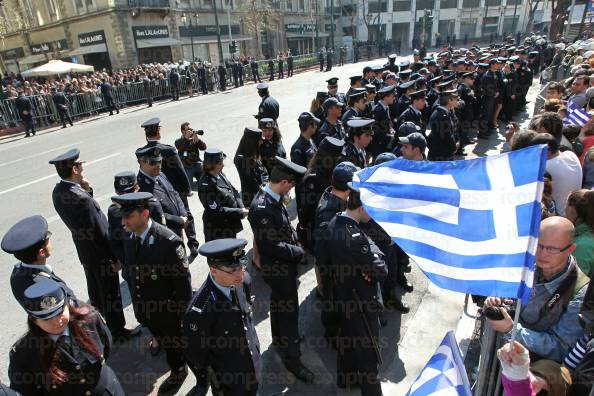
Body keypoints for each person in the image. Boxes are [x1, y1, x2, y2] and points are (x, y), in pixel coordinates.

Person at [112, 192, 192, 394]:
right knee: (159, 336)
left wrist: (182, 318)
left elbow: (183, 287)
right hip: (146, 309)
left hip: (168, 313)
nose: (123, 221)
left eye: (128, 216)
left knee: (174, 345)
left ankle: (179, 370)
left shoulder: (169, 242)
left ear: (145, 213)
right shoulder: (130, 236)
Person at [49, 149, 131, 339]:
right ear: (75, 169)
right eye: (80, 165)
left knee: (96, 290)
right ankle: (118, 331)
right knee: (111, 293)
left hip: (85, 251)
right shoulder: (83, 199)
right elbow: (101, 231)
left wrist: (86, 190)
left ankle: (98, 323)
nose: (83, 168)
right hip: (100, 253)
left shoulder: (58, 192)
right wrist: (114, 257)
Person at [485, 217, 589, 363]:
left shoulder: (580, 293)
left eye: (551, 249)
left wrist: (513, 330)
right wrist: (498, 299)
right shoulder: (527, 264)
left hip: (529, 370)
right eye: (538, 245)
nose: (542, 254)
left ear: (570, 249)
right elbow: (507, 290)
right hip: (502, 356)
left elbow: (561, 348)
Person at [247, 157, 314, 382]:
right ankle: (293, 360)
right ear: (285, 183)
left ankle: (279, 339)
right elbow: (270, 245)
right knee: (289, 311)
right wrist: (298, 252)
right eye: (292, 185)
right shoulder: (262, 207)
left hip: (281, 267)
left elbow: (282, 228)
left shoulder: (272, 198)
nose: (292, 189)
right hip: (278, 269)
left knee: (278, 305)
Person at [8, 279, 125, 395]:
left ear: (67, 306)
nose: (57, 322)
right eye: (47, 319)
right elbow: (25, 392)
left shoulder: (89, 319)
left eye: (59, 313)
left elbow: (106, 346)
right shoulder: (23, 354)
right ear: (34, 320)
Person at [326, 183, 387, 394]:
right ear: (361, 208)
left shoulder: (335, 222)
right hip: (361, 303)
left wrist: (370, 256)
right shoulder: (354, 237)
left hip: (345, 296)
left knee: (349, 342)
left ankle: (347, 380)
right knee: (370, 357)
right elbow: (381, 271)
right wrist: (375, 256)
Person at [182, 238, 261, 396]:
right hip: (231, 381)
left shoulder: (243, 281)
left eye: (241, 265)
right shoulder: (199, 311)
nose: (240, 273)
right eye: (232, 270)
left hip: (254, 363)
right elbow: (197, 355)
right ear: (214, 270)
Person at [313, 162, 359, 345]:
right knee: (332, 300)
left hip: (338, 264)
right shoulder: (328, 213)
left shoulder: (336, 198)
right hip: (332, 267)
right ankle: (332, 332)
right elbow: (329, 246)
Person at [140, 118, 199, 256]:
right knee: (186, 215)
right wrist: (187, 189)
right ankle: (193, 244)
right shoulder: (168, 149)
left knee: (167, 223)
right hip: (175, 191)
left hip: (156, 193)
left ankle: (177, 247)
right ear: (159, 131)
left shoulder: (141, 152)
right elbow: (180, 170)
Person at [2, 215, 76, 308]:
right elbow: (73, 310)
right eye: (48, 238)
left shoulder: (16, 275)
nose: (50, 240)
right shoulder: (48, 286)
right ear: (42, 252)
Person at [107, 171, 165, 268]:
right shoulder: (113, 211)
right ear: (117, 192)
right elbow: (115, 242)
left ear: (137, 188)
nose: (126, 197)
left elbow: (162, 237)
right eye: (122, 193)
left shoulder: (152, 206)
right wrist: (126, 263)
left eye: (130, 192)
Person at [297, 137, 345, 252]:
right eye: (337, 157)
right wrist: (303, 225)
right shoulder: (313, 178)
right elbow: (306, 206)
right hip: (317, 224)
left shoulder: (329, 171)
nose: (339, 159)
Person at [136, 146, 189, 239]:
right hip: (164, 236)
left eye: (160, 161)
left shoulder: (161, 175)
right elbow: (154, 215)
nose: (158, 165)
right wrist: (179, 221)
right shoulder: (141, 187)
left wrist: (183, 214)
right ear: (141, 162)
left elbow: (174, 194)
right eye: (152, 162)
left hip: (178, 229)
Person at [198, 148, 247, 242]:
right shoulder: (206, 185)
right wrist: (240, 211)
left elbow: (234, 191)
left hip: (229, 223)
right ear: (210, 165)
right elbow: (217, 210)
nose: (223, 165)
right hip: (218, 229)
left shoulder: (219, 173)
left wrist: (241, 207)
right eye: (219, 163)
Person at [234, 127, 269, 208]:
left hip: (261, 194)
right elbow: (252, 183)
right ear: (252, 142)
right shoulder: (242, 160)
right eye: (259, 140)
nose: (261, 142)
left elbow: (264, 172)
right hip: (253, 199)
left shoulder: (254, 155)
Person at [565, 189, 594, 276]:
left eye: (566, 205)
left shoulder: (581, 245)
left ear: (573, 210)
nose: (564, 210)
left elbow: (576, 283)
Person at [427, 90, 459, 161]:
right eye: (456, 99)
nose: (457, 101)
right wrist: (454, 148)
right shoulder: (443, 116)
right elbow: (447, 137)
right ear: (449, 101)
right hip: (442, 155)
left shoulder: (440, 112)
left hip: (438, 152)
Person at [175, 122, 207, 187]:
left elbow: (204, 148)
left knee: (206, 180)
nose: (190, 130)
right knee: (188, 186)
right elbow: (180, 148)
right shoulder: (178, 141)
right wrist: (186, 138)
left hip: (197, 164)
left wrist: (198, 140)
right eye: (188, 129)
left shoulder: (193, 139)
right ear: (183, 131)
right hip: (187, 167)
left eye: (190, 129)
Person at [369, 85, 396, 161]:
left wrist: (391, 129)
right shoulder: (377, 110)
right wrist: (389, 136)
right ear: (386, 97)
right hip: (378, 145)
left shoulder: (386, 107)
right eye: (392, 96)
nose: (394, 98)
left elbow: (386, 124)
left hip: (385, 143)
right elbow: (375, 130)